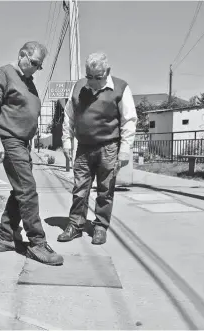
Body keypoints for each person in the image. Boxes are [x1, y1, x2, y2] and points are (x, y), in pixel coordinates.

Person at [0, 41, 64, 266]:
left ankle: (6, 236)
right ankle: (37, 242)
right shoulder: (4, 74)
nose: (37, 68)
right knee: (28, 191)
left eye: (40, 66)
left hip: (23, 143)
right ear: (22, 56)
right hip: (10, 140)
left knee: (21, 190)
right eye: (35, 63)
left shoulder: (28, 82)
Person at [58, 52, 137, 245]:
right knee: (79, 189)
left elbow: (129, 120)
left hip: (109, 147)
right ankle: (75, 225)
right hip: (83, 147)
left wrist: (124, 149)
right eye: (89, 76)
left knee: (105, 190)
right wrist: (67, 142)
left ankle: (100, 226)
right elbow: (69, 116)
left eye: (97, 77)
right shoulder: (78, 87)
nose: (92, 81)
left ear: (107, 72)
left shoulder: (120, 87)